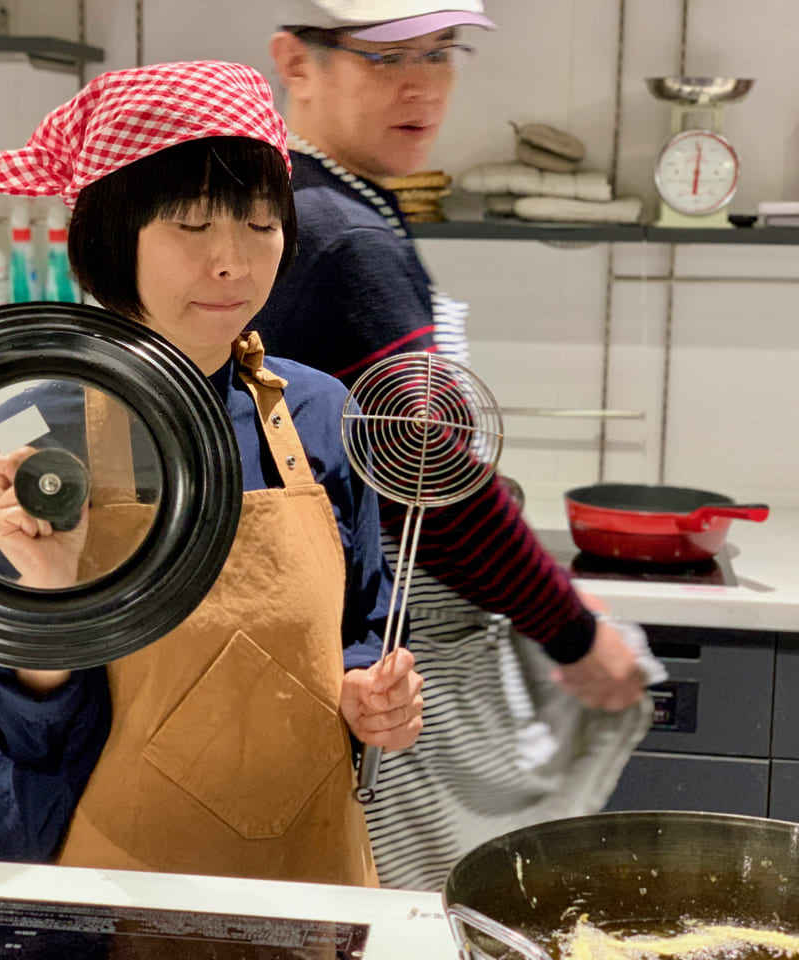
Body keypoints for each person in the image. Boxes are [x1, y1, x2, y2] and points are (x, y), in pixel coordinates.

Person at [0, 60, 424, 888]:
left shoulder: (318, 412)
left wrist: (367, 694)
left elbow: (361, 623)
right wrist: (51, 608)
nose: (233, 263)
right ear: (112, 237)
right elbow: (21, 738)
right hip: (107, 901)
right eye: (191, 226)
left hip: (310, 885)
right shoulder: (26, 443)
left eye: (258, 224)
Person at [255, 1, 653, 889]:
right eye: (387, 57)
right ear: (297, 60)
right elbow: (431, 483)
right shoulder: (346, 238)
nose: (423, 84)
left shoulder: (298, 202)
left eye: (441, 53)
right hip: (383, 646)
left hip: (318, 642)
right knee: (428, 909)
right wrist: (574, 634)